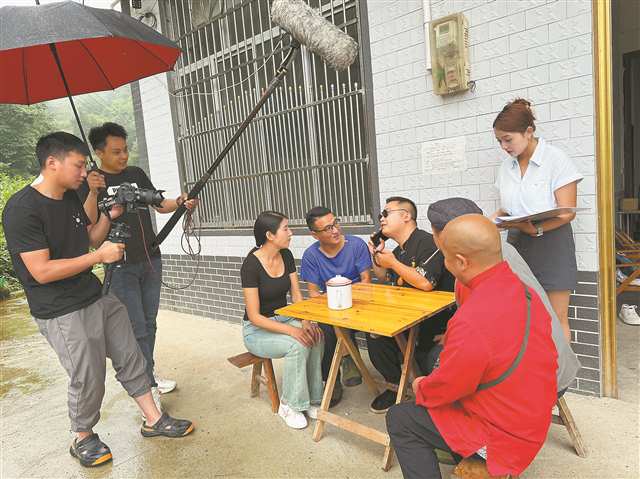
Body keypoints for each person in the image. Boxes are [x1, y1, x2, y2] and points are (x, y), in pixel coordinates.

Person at [2, 132, 193, 468]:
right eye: (78, 165)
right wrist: (98, 257)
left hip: (94, 295)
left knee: (131, 354)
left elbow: (90, 238)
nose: (84, 172)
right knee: (88, 374)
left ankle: (153, 419)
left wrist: (109, 217)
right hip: (60, 309)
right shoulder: (22, 208)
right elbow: (41, 271)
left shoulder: (69, 198)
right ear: (52, 162)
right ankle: (83, 436)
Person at [386, 214, 558, 479]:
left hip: (504, 436)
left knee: (401, 417)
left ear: (462, 262)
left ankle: (472, 455)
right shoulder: (523, 290)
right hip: (532, 414)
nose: (444, 264)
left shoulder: (473, 320)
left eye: (445, 257)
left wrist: (420, 386)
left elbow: (447, 388)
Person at [78, 122, 198, 409]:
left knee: (150, 323)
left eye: (125, 150)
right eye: (116, 151)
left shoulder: (135, 174)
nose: (123, 156)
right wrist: (93, 192)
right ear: (99, 152)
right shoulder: (91, 183)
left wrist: (180, 201)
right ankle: (146, 387)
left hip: (150, 258)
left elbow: (159, 203)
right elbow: (89, 228)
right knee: (136, 328)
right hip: (120, 267)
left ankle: (148, 374)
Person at [427, 197, 581, 394]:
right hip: (557, 369)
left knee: (436, 361)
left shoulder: (472, 269)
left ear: (442, 236)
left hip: (536, 384)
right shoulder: (499, 250)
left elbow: (474, 341)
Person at [491, 99, 583, 342]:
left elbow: (567, 212)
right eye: (499, 141)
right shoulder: (506, 167)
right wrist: (488, 224)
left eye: (508, 139)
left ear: (529, 132)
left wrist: (536, 229)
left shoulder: (555, 159)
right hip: (517, 242)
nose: (504, 146)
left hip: (552, 242)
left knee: (556, 317)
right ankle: (531, 365)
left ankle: (559, 367)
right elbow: (506, 208)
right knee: (522, 314)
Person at [367, 197, 455, 414]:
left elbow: (426, 282)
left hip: (436, 324)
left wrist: (393, 262)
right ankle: (394, 386)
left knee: (426, 366)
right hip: (406, 318)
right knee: (374, 333)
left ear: (405, 216)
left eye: (386, 213)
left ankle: (418, 388)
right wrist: (377, 255)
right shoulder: (399, 251)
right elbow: (384, 276)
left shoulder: (429, 242)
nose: (381, 219)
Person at [241, 211, 324, 430]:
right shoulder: (251, 265)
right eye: (285, 229)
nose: (291, 232)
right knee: (297, 344)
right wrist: (292, 331)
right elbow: (254, 316)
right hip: (256, 330)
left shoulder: (286, 255)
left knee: (315, 335)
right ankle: (289, 405)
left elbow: (296, 295)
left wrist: (305, 321)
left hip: (285, 317)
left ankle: (311, 399)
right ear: (270, 235)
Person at [300, 206, 372, 406]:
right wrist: (334, 303)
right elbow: (313, 293)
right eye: (327, 228)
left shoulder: (356, 245)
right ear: (314, 234)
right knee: (326, 330)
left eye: (335, 223)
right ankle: (332, 379)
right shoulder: (311, 255)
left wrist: (344, 298)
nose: (335, 230)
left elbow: (366, 282)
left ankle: (346, 359)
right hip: (330, 305)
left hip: (359, 302)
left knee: (343, 325)